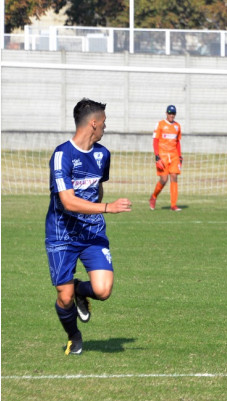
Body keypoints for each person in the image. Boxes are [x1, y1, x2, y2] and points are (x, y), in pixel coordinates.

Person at [45, 98, 132, 355]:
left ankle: (81, 292)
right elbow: (69, 202)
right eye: (104, 122)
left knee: (103, 290)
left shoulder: (102, 154)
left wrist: (100, 208)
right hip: (62, 233)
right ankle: (74, 335)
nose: (106, 126)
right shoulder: (62, 155)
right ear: (93, 123)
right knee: (64, 297)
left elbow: (97, 187)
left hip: (92, 232)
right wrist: (108, 207)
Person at [149, 105, 182, 211]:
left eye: (173, 113)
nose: (171, 115)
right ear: (166, 113)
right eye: (169, 113)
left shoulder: (177, 126)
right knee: (164, 179)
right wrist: (157, 156)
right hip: (162, 155)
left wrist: (180, 156)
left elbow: (178, 143)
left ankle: (173, 205)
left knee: (174, 177)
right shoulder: (160, 124)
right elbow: (155, 141)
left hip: (174, 155)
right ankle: (153, 197)